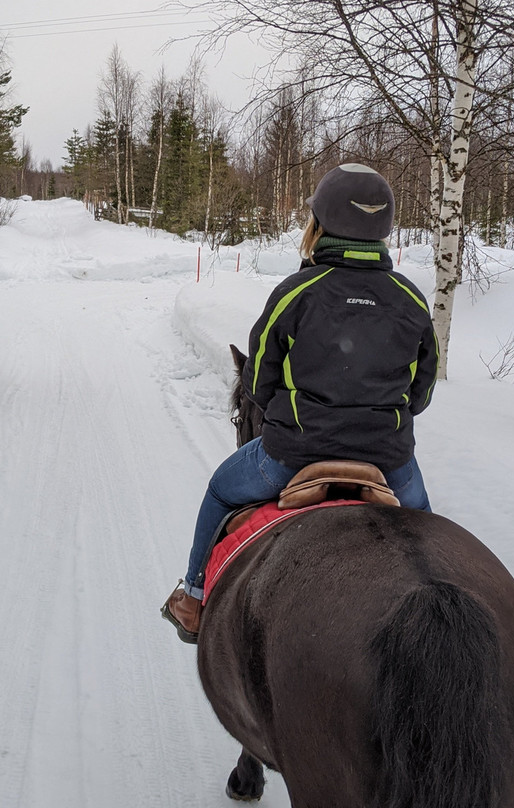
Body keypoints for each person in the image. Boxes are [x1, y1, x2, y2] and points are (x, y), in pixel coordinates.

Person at [162, 163, 439, 644]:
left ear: (321, 223)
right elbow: (422, 393)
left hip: (293, 457)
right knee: (427, 535)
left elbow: (259, 381)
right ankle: (437, 605)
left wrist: (291, 419)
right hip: (388, 462)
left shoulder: (297, 291)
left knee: (221, 491)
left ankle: (194, 596)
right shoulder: (410, 300)